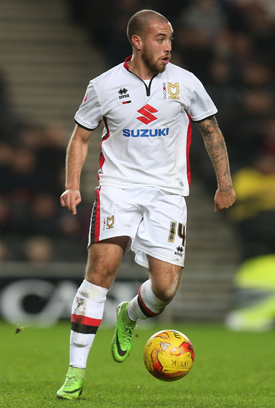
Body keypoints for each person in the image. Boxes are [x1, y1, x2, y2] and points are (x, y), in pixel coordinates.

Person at [56, 9, 236, 400]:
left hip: (168, 192)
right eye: (160, 38)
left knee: (166, 289)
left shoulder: (186, 83)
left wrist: (225, 184)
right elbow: (81, 138)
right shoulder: (103, 86)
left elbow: (211, 130)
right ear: (137, 41)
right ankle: (75, 373)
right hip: (118, 187)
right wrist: (72, 184)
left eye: (170, 38)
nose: (168, 46)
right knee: (100, 271)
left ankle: (129, 315)